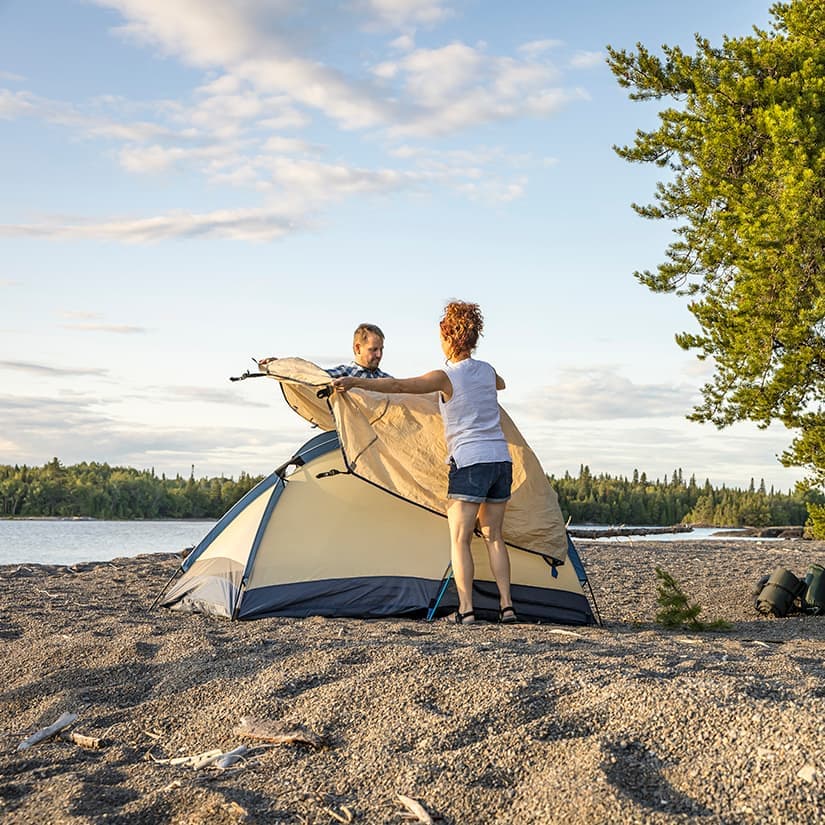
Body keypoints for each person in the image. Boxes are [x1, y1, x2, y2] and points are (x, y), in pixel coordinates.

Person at [333, 301, 515, 625]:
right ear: (473, 337)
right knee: (494, 536)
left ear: (448, 337)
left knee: (460, 539)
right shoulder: (487, 371)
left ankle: (467, 610)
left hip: (470, 461)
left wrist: (356, 383)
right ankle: (507, 607)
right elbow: (501, 384)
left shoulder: (444, 377)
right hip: (500, 460)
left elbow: (399, 386)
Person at [258, 322, 392, 378]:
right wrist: (278, 365)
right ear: (357, 348)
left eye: (381, 349)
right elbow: (309, 376)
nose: (379, 355)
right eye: (373, 350)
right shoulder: (344, 374)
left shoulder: (387, 380)